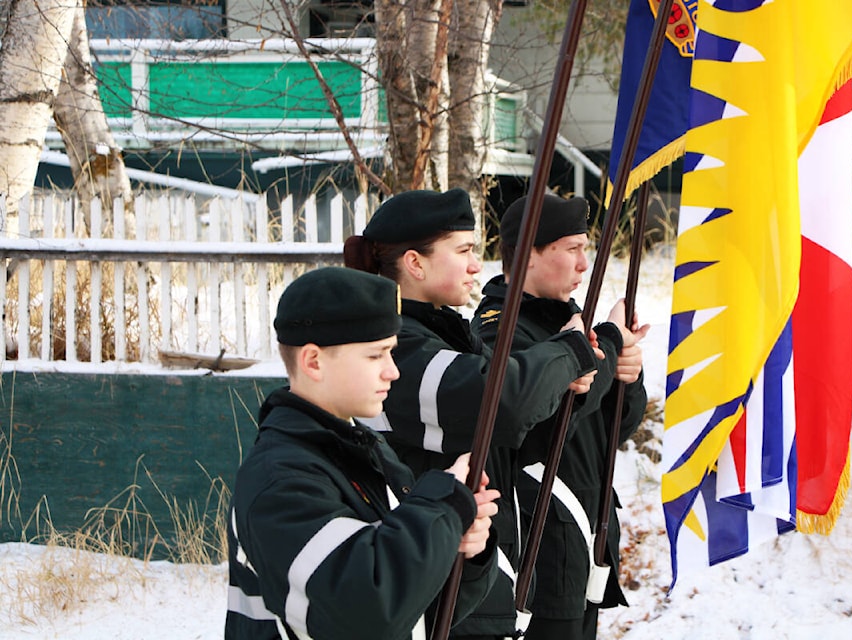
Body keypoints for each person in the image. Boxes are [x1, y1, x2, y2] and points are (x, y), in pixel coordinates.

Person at [343, 188, 618, 640]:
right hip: (440, 597)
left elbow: (524, 437)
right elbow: (504, 402)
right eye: (465, 250)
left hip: (475, 588)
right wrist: (568, 354)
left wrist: (576, 375)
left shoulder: (441, 334)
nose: (476, 265)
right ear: (415, 263)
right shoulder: (402, 348)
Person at [225, 266, 501, 640]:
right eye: (377, 356)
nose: (393, 371)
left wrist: (462, 553)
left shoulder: (366, 450)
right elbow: (367, 610)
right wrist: (445, 504)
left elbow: (415, 611)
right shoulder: (279, 480)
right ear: (313, 362)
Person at [472, 193, 648, 640]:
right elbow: (545, 420)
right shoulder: (501, 328)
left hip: (583, 539)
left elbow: (609, 432)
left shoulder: (566, 318)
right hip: (540, 551)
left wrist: (627, 378)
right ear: (529, 252)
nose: (584, 264)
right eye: (572, 248)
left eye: (586, 248)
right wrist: (607, 342)